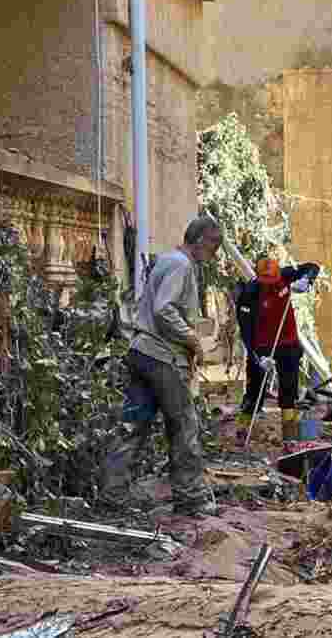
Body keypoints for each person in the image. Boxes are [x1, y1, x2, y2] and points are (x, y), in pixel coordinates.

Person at [103, 216, 222, 516]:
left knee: (135, 424)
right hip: (161, 356)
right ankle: (190, 497)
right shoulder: (181, 265)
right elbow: (164, 309)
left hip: (141, 351)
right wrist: (193, 340)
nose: (215, 253)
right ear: (200, 241)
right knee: (183, 425)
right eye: (213, 246)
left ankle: (113, 493)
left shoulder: (166, 260)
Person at [235, 257, 320, 442]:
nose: (271, 284)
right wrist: (258, 358)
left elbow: (312, 266)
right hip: (262, 346)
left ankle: (289, 437)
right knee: (254, 389)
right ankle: (243, 430)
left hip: (288, 342)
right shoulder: (248, 295)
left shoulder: (286, 275)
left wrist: (306, 280)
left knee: (289, 389)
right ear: (258, 277)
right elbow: (246, 333)